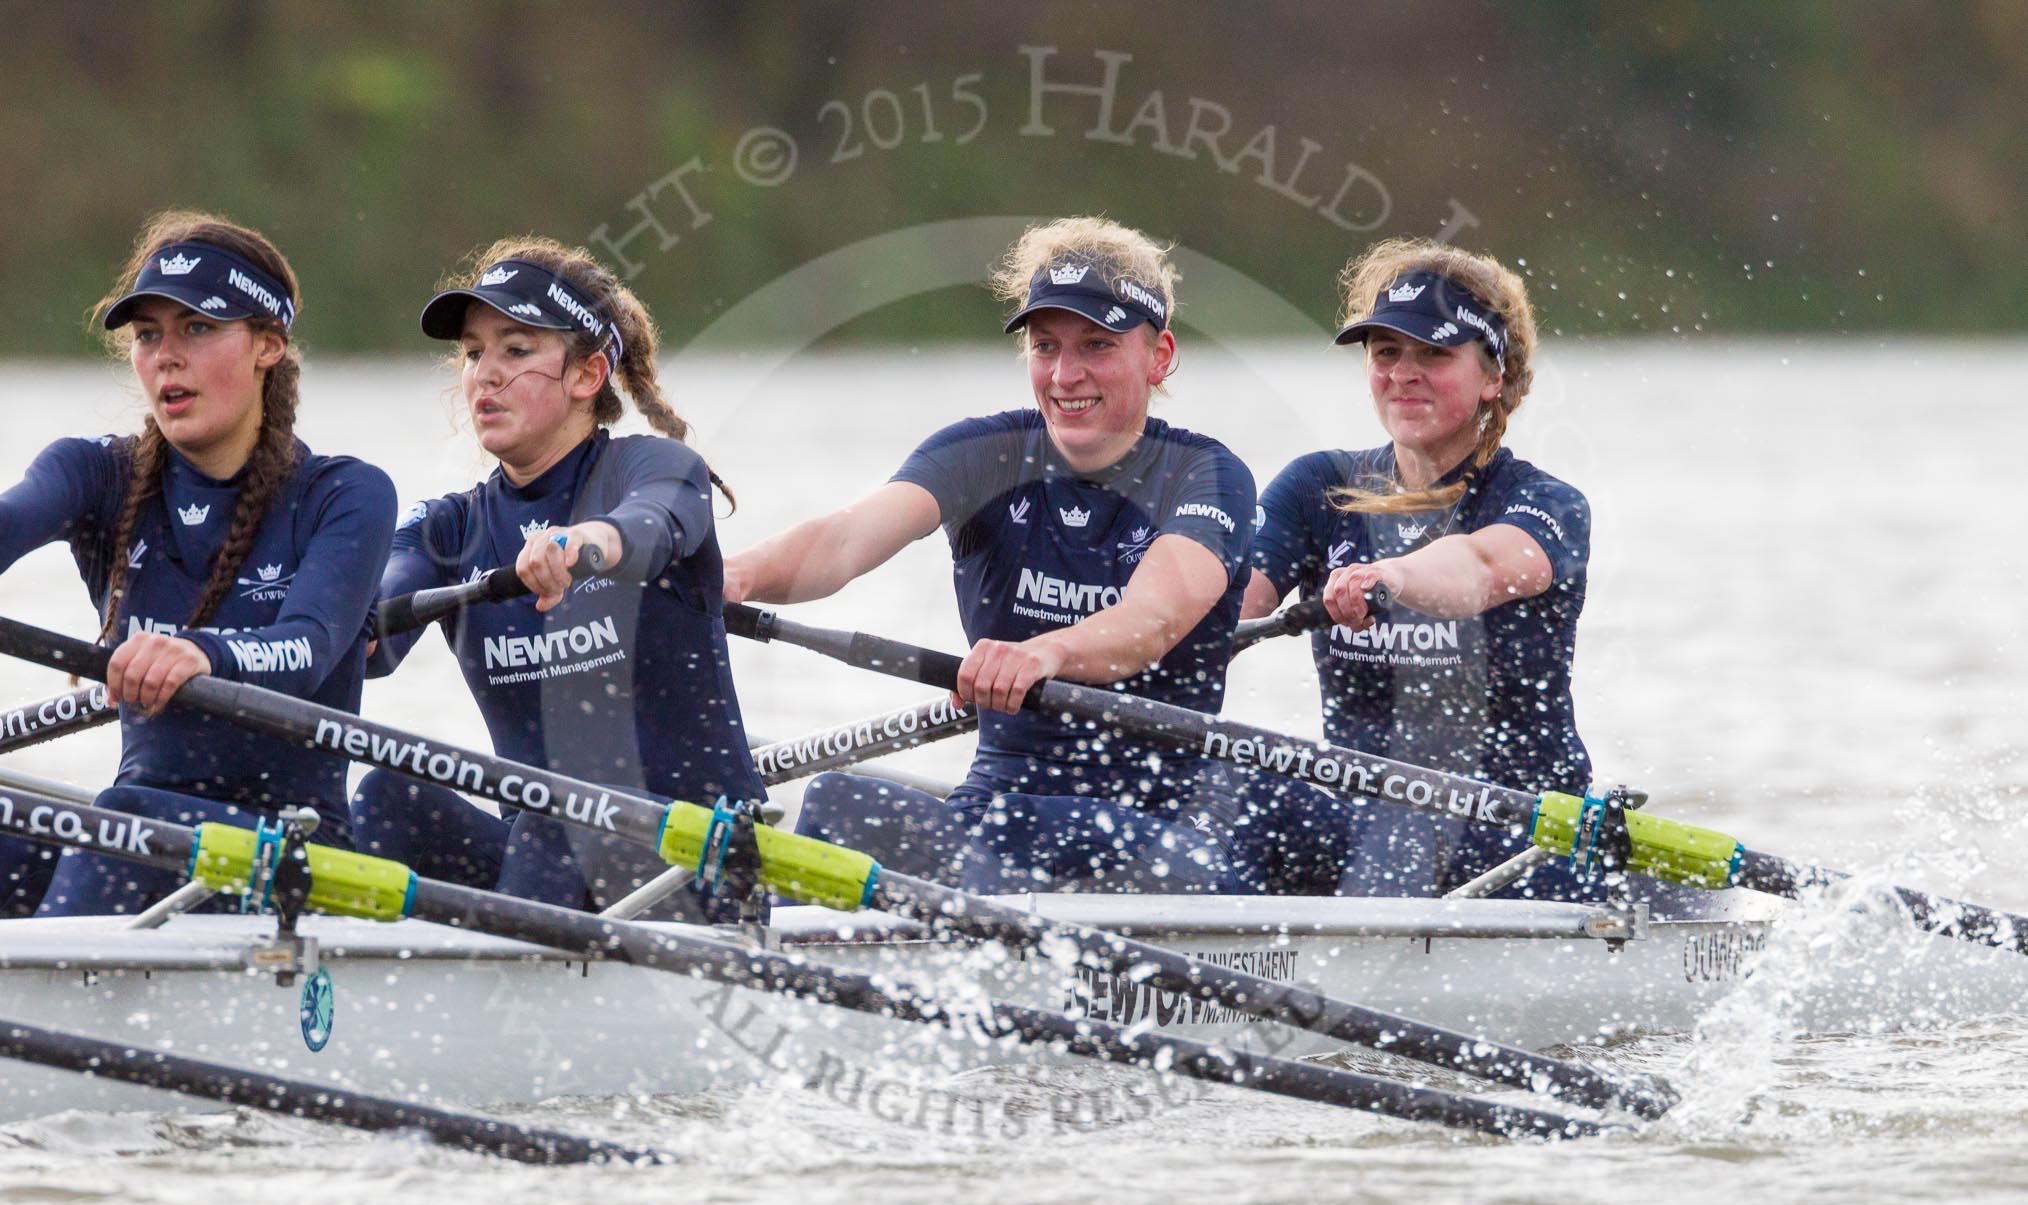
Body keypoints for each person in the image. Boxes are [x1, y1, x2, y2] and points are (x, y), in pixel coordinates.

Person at [724, 216, 1255, 893]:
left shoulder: (1208, 475)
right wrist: (734, 574)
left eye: (1096, 344)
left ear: (1159, 356)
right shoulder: (984, 454)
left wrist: (1045, 653)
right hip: (999, 812)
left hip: (1156, 824)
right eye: (1045, 346)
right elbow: (842, 541)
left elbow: (1154, 617)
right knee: (837, 803)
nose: (1066, 374)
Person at [0, 211, 396, 917]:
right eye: (149, 334)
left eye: (198, 329)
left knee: (123, 821)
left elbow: (305, 647)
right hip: (140, 838)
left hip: (293, 856)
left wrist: (198, 653)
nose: (166, 356)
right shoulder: (96, 475)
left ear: (268, 345)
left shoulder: (345, 495)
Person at [354, 237, 762, 913]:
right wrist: (340, 626)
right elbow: (379, 616)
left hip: (696, 866)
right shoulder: (447, 528)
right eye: (474, 353)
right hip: (543, 860)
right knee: (385, 799)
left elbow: (649, 527)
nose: (484, 374)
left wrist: (581, 545)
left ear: (587, 375)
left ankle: (505, 1000)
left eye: (515, 351)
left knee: (556, 818)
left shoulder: (658, 469)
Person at [1237, 238, 1592, 898]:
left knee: (1392, 837)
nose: (1403, 372)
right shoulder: (1320, 488)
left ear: (1493, 377)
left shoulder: (1543, 504)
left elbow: (1479, 567)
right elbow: (1223, 608)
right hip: (1363, 814)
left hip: (1515, 832)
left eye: (1434, 354)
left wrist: (1392, 578)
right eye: (1386, 353)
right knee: (1218, 792)